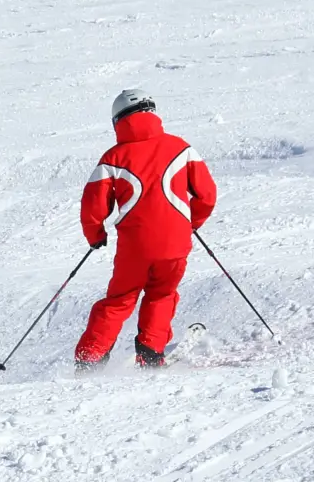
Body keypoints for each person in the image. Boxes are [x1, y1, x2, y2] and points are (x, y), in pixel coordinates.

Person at [74, 89, 219, 370]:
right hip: (175, 244)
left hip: (135, 248)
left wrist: (96, 236)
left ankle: (90, 360)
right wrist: (191, 223)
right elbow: (207, 195)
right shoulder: (181, 148)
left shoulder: (113, 157)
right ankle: (151, 356)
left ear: (118, 121)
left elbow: (93, 205)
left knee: (119, 301)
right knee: (162, 295)